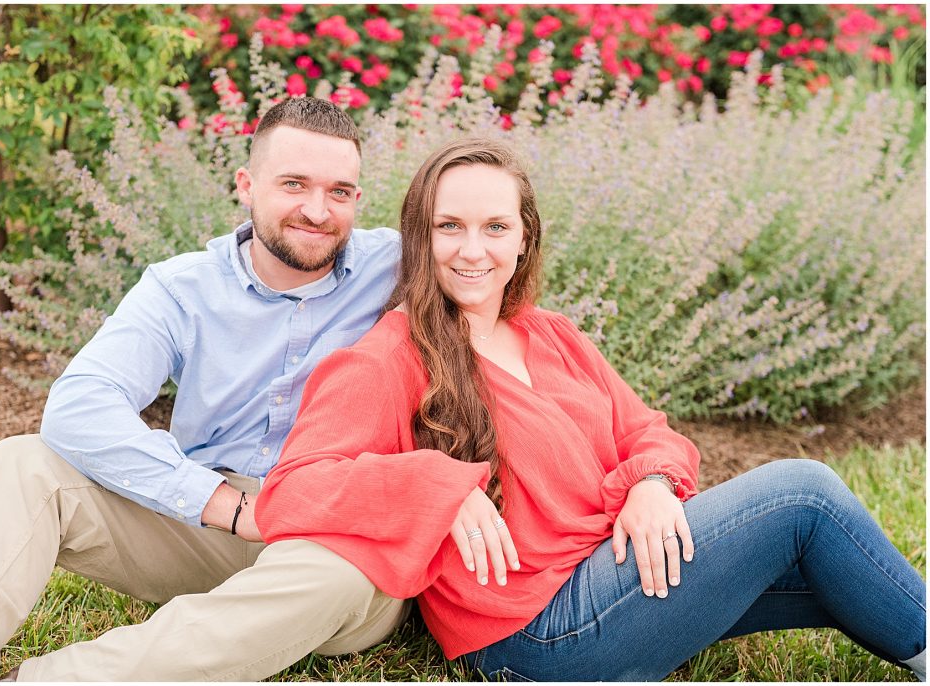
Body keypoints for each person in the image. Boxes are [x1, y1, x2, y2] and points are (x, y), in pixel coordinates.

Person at [255, 138, 927, 682]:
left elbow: (647, 431)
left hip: (617, 573)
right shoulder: (391, 355)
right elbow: (291, 490)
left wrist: (653, 484)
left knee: (837, 566)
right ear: (418, 238)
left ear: (523, 241)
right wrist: (437, 487)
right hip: (539, 635)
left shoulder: (551, 332)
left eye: (495, 227)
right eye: (448, 227)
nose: (471, 249)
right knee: (803, 497)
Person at [0, 96, 411, 681]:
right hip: (211, 522)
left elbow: (490, 279)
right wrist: (226, 505)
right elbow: (79, 405)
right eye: (294, 184)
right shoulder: (182, 287)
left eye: (340, 192)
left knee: (344, 573)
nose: (318, 210)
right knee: (25, 464)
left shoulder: (399, 267)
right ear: (246, 185)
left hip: (331, 536)